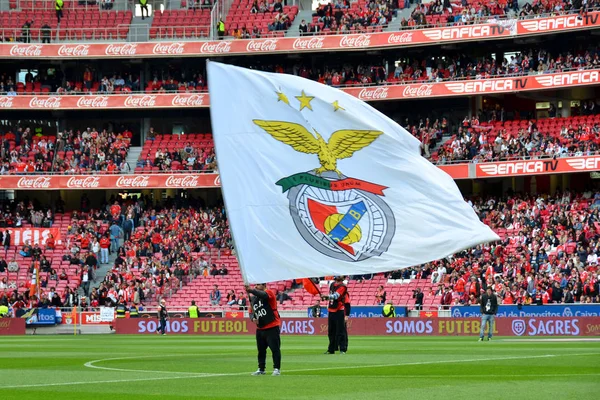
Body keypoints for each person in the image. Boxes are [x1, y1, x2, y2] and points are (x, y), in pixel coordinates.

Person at [246, 283, 281, 376]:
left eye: (258, 285)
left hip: (272, 325)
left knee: (275, 349)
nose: (256, 287)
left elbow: (264, 296)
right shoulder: (253, 299)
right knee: (261, 350)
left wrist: (251, 290)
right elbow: (250, 311)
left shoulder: (269, 293)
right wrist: (253, 318)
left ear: (264, 285)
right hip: (260, 327)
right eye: (255, 285)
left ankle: (276, 369)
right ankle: (261, 369)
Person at [322, 276, 347, 354]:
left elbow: (336, 296)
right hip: (331, 309)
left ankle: (342, 349)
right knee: (331, 331)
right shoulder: (332, 284)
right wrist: (326, 298)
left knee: (340, 330)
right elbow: (331, 294)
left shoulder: (343, 286)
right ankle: (331, 349)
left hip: (339, 310)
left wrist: (327, 297)